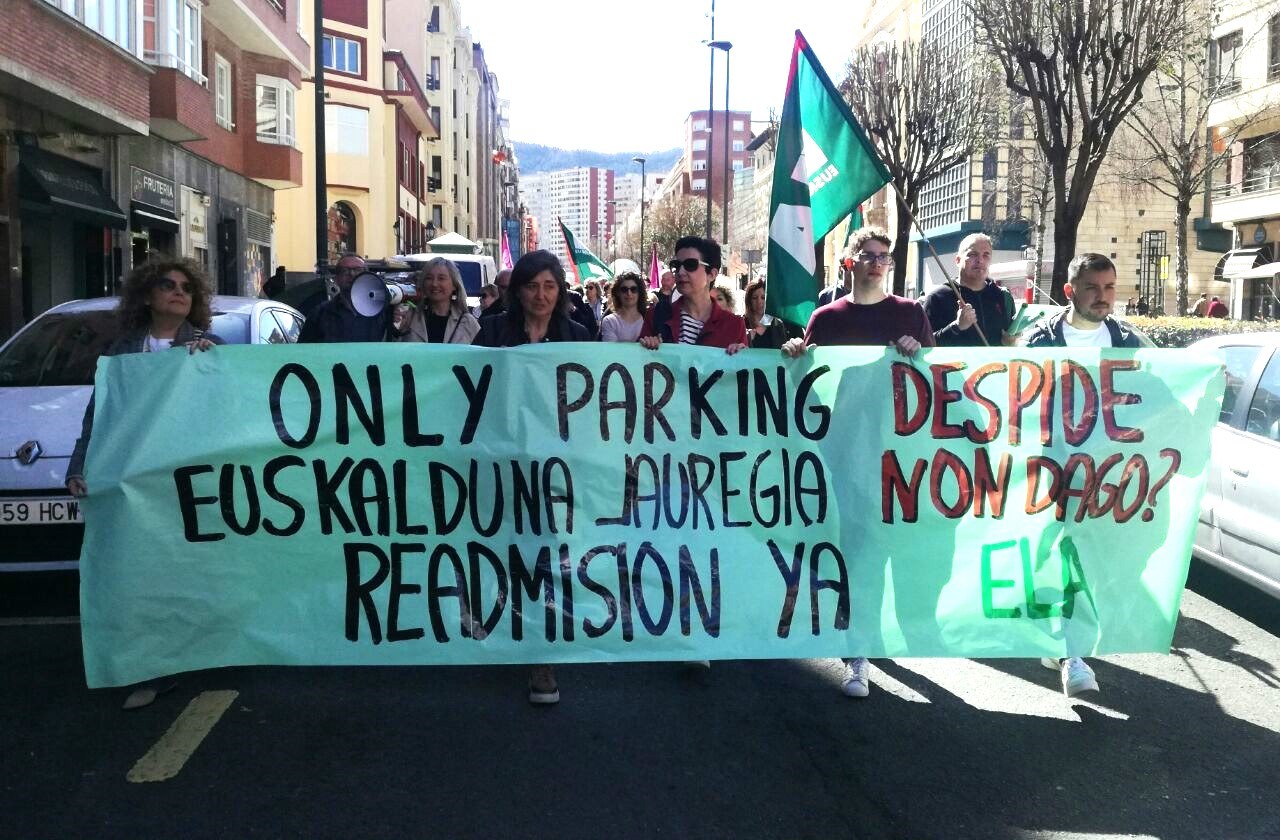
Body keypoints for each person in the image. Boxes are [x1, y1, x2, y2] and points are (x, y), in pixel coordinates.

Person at [780, 227, 934, 699]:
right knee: (854, 551)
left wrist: (919, 355)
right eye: (866, 255)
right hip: (842, 453)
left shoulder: (910, 315)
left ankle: (874, 633)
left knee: (889, 550)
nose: (875, 262)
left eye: (882, 257)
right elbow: (807, 383)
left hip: (897, 455)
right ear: (848, 262)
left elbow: (938, 383)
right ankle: (857, 649)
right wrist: (793, 355)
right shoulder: (826, 319)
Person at [65, 257, 223, 710]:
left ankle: (195, 652)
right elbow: (100, 415)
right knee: (141, 574)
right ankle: (153, 666)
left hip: (186, 481)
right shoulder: (121, 353)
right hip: (135, 483)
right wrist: (79, 466)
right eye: (167, 285)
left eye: (186, 288)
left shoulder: (208, 347)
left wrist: (212, 362)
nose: (178, 292)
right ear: (148, 296)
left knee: (185, 572)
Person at [1020, 252, 1149, 697]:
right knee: (1058, 557)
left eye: (1110, 287)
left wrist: (1207, 383)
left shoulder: (1130, 341)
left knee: (1091, 562)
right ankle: (1071, 653)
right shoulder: (1039, 340)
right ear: (1071, 291)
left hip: (1107, 474)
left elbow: (1162, 392)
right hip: (1051, 470)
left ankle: (1068, 647)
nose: (1103, 297)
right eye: (1093, 287)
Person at [474, 251, 590, 705]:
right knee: (502, 547)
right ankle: (500, 628)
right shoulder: (490, 333)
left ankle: (542, 653)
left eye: (549, 286)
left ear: (560, 291)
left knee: (548, 554)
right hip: (500, 460)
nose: (541, 295)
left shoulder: (579, 335)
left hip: (557, 468)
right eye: (531, 286)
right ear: (517, 290)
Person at [640, 235, 747, 354]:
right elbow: (639, 365)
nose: (680, 272)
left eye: (690, 265)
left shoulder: (734, 325)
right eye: (676, 265)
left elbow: (743, 369)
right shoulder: (656, 315)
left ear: (712, 274)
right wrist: (648, 347)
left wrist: (741, 357)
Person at [923, 233, 1016, 347]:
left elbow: (1011, 343)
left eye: (986, 255)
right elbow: (923, 344)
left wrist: (1010, 342)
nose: (980, 260)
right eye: (973, 254)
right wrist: (956, 326)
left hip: (994, 365)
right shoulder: (937, 297)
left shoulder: (1002, 296)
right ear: (958, 260)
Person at [298, 254, 393, 343]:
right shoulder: (320, 314)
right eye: (344, 270)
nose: (351, 274)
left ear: (367, 276)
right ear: (336, 279)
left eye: (358, 270)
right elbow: (303, 351)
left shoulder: (383, 310)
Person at [395, 257, 480, 344]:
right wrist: (396, 329)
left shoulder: (467, 322)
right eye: (429, 278)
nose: (434, 284)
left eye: (441, 278)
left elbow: (480, 355)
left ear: (454, 285)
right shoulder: (410, 317)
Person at [598, 271, 648, 342]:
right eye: (624, 289)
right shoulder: (610, 321)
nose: (629, 293)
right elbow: (611, 351)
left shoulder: (648, 318)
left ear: (640, 293)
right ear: (618, 293)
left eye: (633, 289)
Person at [743, 279, 788, 350]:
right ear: (749, 300)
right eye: (754, 298)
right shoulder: (742, 323)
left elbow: (782, 353)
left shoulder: (777, 324)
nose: (759, 302)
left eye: (763, 298)